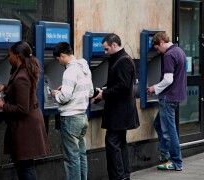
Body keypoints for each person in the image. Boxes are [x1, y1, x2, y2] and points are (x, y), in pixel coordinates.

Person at [0, 41, 49, 180]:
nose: (8, 58)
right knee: (24, 165)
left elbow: (22, 108)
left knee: (26, 167)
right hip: (27, 125)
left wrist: (2, 106)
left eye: (9, 55)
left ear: (17, 56)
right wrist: (6, 87)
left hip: (26, 128)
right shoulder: (24, 71)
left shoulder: (22, 76)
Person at [91, 33, 140, 180]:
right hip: (120, 112)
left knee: (112, 144)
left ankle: (118, 177)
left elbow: (122, 86)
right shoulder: (119, 58)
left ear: (114, 45)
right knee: (120, 144)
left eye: (106, 49)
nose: (105, 52)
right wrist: (102, 91)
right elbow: (115, 83)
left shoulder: (123, 60)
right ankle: (124, 176)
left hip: (120, 112)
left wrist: (103, 95)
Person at [51, 42, 94, 180]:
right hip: (82, 117)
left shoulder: (69, 71)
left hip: (70, 118)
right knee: (81, 155)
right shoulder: (84, 68)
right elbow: (91, 91)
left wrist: (55, 94)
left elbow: (65, 97)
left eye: (58, 59)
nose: (58, 63)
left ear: (62, 55)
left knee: (71, 159)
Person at [147, 32, 186, 171]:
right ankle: (165, 155)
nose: (158, 51)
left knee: (169, 131)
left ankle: (176, 162)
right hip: (176, 96)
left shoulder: (169, 55)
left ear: (162, 43)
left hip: (168, 97)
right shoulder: (179, 51)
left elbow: (168, 79)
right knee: (158, 124)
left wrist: (154, 88)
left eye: (157, 48)